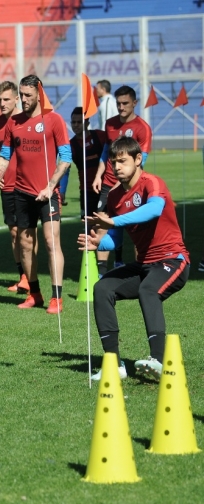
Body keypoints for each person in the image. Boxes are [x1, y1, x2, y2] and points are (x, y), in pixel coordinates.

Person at [78, 137, 189, 381]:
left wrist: (113, 221)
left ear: (138, 160)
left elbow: (154, 209)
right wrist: (98, 243)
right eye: (114, 162)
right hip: (144, 265)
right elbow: (115, 241)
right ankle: (113, 365)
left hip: (173, 261)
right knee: (102, 288)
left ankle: (158, 360)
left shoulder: (152, 183)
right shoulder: (116, 196)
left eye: (123, 161)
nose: (117, 167)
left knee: (149, 290)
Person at [0, 75, 72, 314]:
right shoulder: (14, 123)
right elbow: (3, 157)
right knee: (24, 243)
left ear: (39, 94)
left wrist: (51, 185)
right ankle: (35, 294)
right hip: (20, 193)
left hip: (48, 193)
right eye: (21, 95)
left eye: (28, 95)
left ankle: (57, 297)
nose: (23, 99)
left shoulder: (54, 120)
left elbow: (66, 158)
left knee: (52, 242)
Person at [93, 85, 153, 269]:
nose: (121, 107)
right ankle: (103, 273)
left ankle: (141, 270)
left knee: (137, 230)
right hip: (107, 185)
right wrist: (98, 175)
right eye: (119, 103)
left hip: (133, 187)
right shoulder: (110, 123)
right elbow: (105, 151)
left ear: (135, 103)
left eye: (125, 103)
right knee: (102, 225)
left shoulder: (143, 128)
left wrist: (120, 184)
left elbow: (140, 162)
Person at [0, 80, 31, 293]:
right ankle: (23, 277)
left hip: (29, 184)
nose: (2, 103)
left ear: (16, 99)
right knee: (13, 232)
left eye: (6, 99)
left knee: (27, 233)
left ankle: (32, 276)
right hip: (8, 186)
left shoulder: (27, 121)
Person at [70, 106, 110, 276]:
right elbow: (65, 169)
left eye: (79, 122)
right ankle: (90, 265)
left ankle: (107, 266)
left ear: (87, 122)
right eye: (73, 122)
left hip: (104, 188)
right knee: (88, 226)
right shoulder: (71, 145)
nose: (76, 125)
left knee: (103, 225)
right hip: (85, 191)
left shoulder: (100, 136)